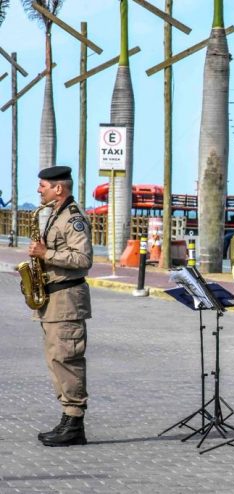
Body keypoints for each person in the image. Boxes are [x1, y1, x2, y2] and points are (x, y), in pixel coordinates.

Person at [29, 166, 93, 447]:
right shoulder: (55, 213)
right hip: (53, 300)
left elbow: (83, 259)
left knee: (68, 358)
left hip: (67, 299)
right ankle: (67, 418)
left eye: (42, 185)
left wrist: (47, 254)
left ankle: (74, 422)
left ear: (58, 188)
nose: (39, 190)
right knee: (56, 359)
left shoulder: (74, 218)